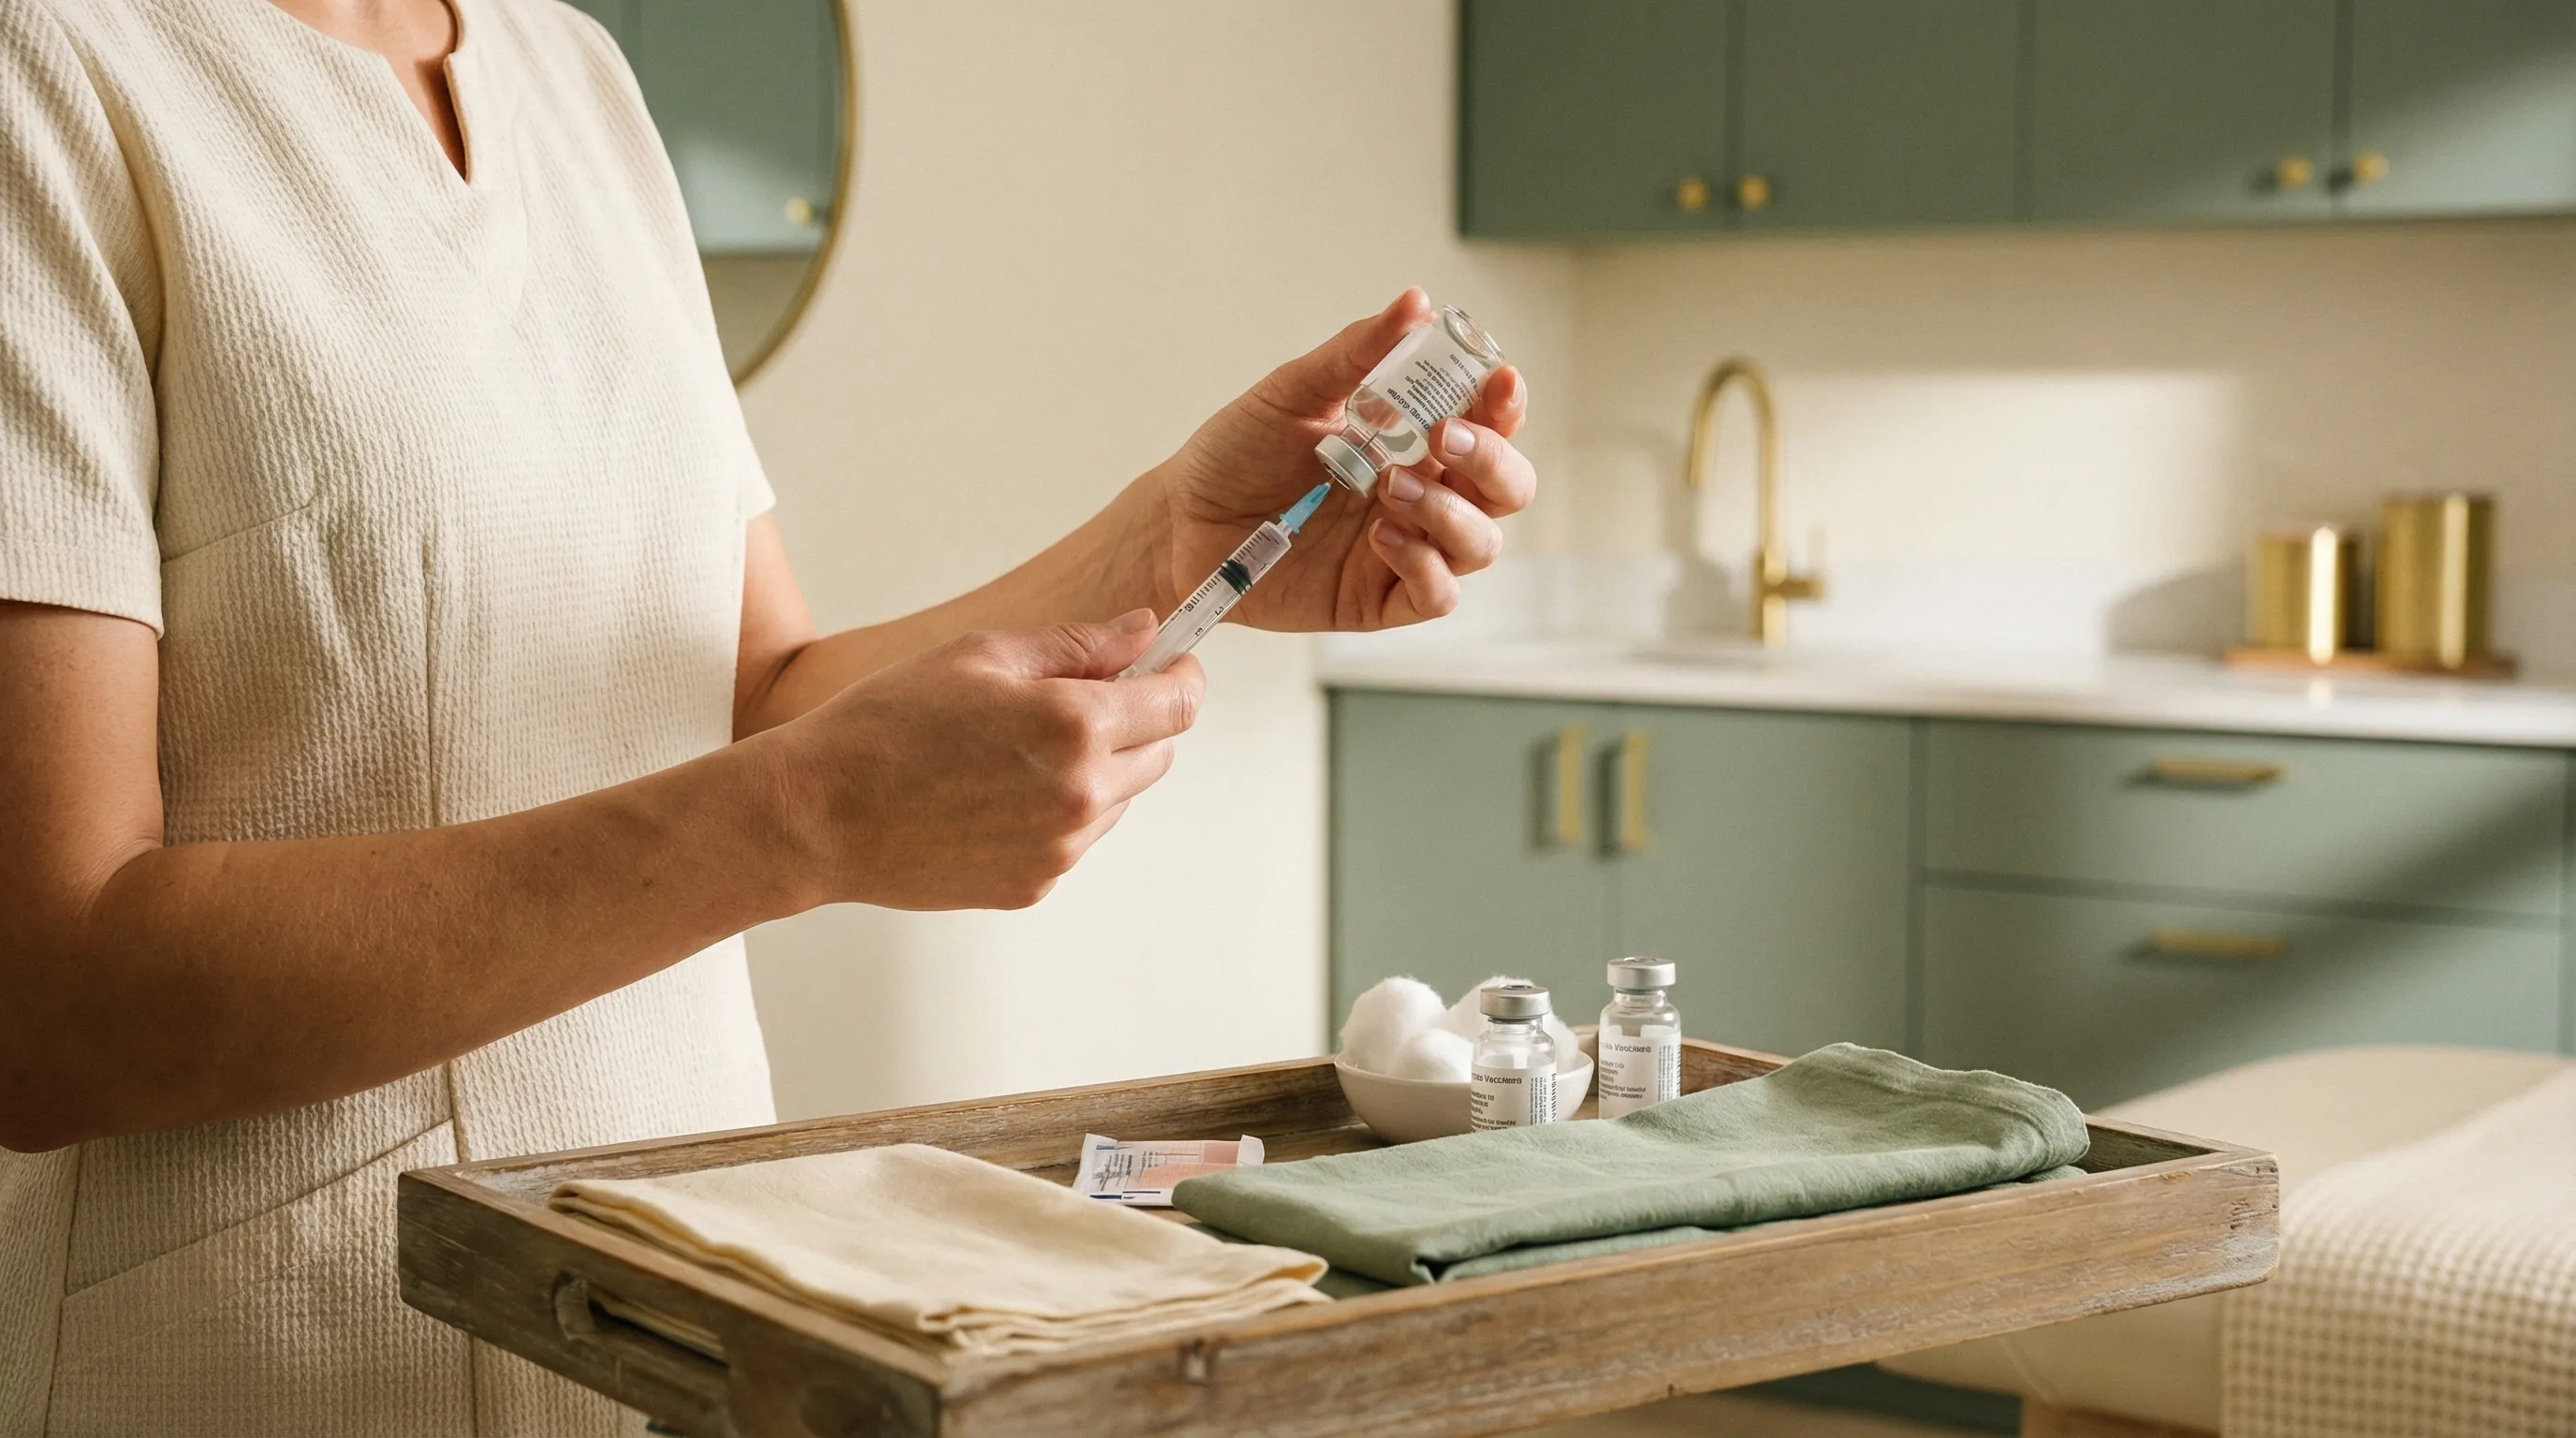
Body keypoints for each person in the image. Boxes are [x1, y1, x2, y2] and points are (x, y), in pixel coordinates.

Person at [0, 0, 1536, 1431]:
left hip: (686, 1312)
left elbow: (750, 694)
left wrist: (1167, 549)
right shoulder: (55, 73)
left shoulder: (576, 73)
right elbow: (47, 1003)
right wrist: (807, 820)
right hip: (278, 1357)